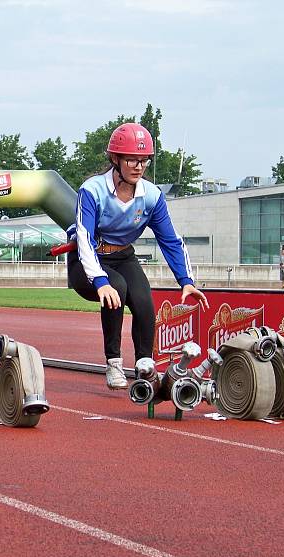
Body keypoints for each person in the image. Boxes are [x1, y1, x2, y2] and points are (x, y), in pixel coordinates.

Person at [67, 122, 209, 390]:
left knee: (144, 302)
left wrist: (186, 280)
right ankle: (114, 363)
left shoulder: (152, 196)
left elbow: (170, 239)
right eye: (132, 159)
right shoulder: (92, 190)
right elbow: (84, 239)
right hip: (87, 261)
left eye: (144, 160)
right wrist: (99, 281)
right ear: (115, 159)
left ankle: (145, 368)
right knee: (116, 288)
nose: (138, 166)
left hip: (123, 256)